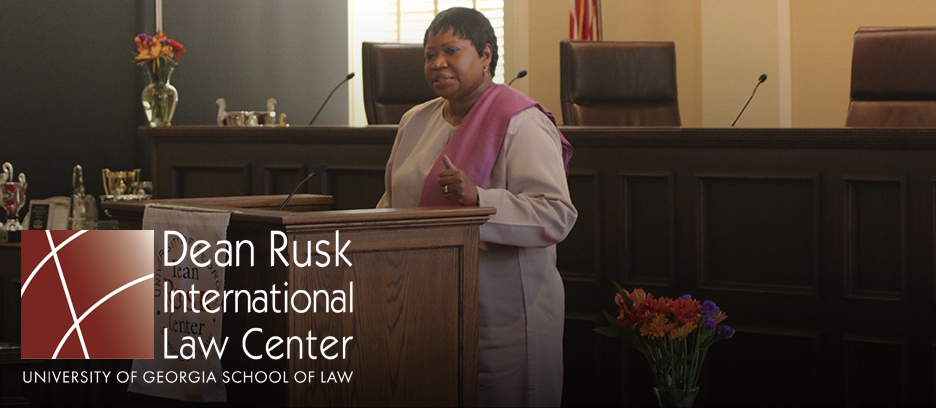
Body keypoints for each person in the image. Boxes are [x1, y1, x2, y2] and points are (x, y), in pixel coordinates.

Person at [376, 7, 577, 407]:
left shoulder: (522, 121)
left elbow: (556, 214)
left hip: (504, 311)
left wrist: (479, 200)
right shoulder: (415, 121)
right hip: (427, 299)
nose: (437, 64)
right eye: (429, 55)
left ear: (485, 55)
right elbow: (392, 203)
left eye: (451, 50)